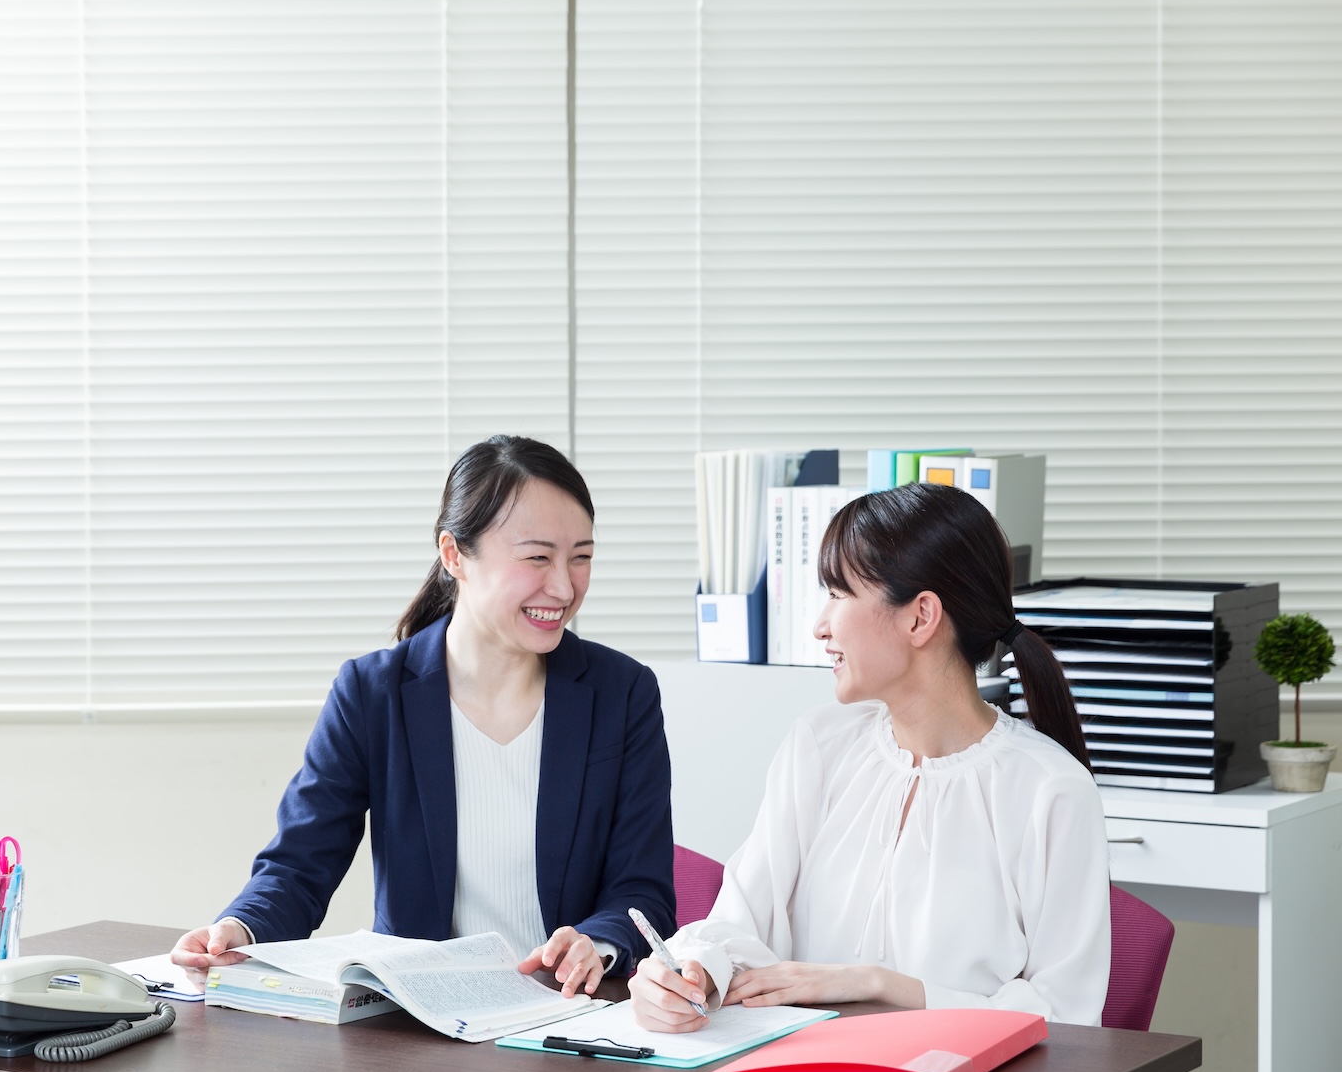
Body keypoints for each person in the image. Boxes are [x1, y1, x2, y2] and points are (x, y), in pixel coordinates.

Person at [173, 435, 676, 996]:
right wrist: (236, 930)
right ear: (454, 554)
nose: (563, 587)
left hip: (566, 1016)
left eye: (580, 557)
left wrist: (597, 943)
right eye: (537, 557)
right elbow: (299, 866)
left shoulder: (622, 693)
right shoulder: (373, 692)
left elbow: (643, 889)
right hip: (418, 1016)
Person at [631, 482, 1109, 1032]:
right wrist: (691, 972)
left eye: (838, 594)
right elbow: (739, 920)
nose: (820, 625)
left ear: (919, 617)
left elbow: (1068, 1018)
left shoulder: (1050, 789)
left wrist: (881, 985)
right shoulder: (820, 745)